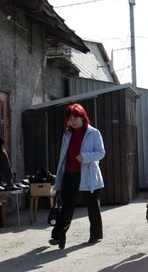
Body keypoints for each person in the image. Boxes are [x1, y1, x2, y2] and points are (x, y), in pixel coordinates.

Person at [50, 103, 106, 249]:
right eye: (70, 119)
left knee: (92, 206)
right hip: (70, 174)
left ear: (83, 117)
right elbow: (64, 156)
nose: (73, 121)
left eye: (76, 118)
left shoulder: (93, 133)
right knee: (66, 206)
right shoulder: (67, 134)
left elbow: (101, 153)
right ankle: (59, 236)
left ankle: (95, 235)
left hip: (87, 174)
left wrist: (85, 157)